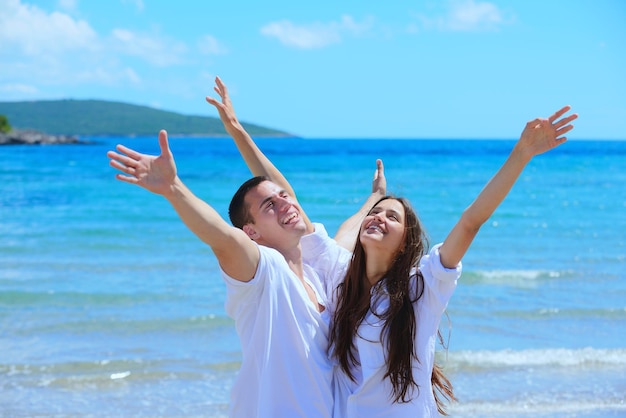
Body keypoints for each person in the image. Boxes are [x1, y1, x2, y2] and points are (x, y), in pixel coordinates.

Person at [107, 76, 385, 418]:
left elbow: (343, 230)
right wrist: (174, 188)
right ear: (252, 232)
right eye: (270, 206)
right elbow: (222, 237)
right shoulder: (262, 271)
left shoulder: (319, 277)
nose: (285, 203)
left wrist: (374, 198)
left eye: (284, 197)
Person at [299, 105, 578, 417]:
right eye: (374, 214)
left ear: (405, 243)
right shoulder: (342, 279)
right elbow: (335, 236)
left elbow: (470, 222)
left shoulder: (421, 287)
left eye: (391, 216)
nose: (377, 217)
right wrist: (374, 197)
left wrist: (521, 153)